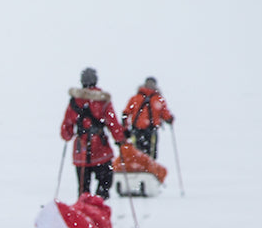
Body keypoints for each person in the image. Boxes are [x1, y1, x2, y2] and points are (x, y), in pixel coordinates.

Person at [60, 67, 128, 200]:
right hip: (100, 150)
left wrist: (68, 134)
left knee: (83, 188)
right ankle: (99, 208)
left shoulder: (74, 101)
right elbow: (112, 122)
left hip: (81, 150)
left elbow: (66, 130)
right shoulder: (102, 100)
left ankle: (84, 212)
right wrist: (120, 139)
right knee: (105, 183)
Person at [122, 76, 175, 159]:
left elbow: (165, 113)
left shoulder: (158, 99)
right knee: (138, 152)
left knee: (149, 152)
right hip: (138, 130)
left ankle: (146, 166)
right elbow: (126, 113)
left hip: (151, 130)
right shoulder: (137, 98)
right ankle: (142, 166)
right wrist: (125, 127)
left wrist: (169, 118)